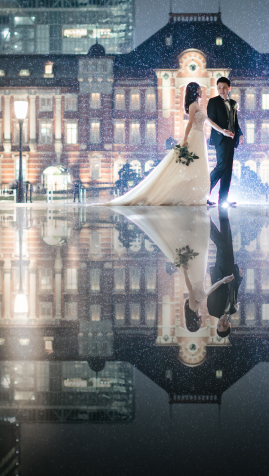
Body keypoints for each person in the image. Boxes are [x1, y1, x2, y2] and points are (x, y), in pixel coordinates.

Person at [99, 82, 233, 206]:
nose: (201, 90)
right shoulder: (193, 105)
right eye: (199, 89)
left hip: (199, 138)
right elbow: (190, 123)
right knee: (191, 167)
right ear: (195, 91)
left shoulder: (197, 104)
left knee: (199, 167)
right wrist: (185, 139)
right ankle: (193, 195)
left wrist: (223, 131)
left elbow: (208, 121)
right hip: (194, 137)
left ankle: (201, 196)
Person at [207, 77, 244, 206]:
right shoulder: (213, 102)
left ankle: (223, 199)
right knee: (221, 165)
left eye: (224, 87)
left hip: (231, 139)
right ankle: (205, 193)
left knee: (228, 169)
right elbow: (212, 121)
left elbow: (235, 122)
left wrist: (240, 134)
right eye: (219, 87)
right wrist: (223, 131)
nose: (221, 90)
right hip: (220, 138)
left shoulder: (233, 103)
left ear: (229, 88)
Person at [206, 207, 242, 338]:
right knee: (227, 235)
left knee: (221, 245)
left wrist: (222, 280)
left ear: (216, 325)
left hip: (220, 271)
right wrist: (240, 277)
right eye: (224, 326)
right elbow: (235, 290)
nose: (221, 324)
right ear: (229, 325)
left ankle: (205, 218)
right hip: (231, 270)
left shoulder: (213, 310)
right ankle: (222, 207)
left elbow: (211, 290)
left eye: (219, 326)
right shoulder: (233, 309)